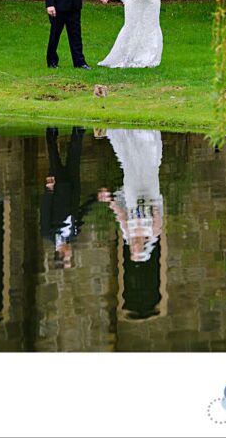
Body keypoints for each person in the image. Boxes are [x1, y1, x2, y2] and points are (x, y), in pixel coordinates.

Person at [99, 129, 165, 319]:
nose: (133, 248)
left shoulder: (128, 233)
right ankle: (145, 137)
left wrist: (109, 199)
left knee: (130, 165)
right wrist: (153, 204)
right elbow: (158, 215)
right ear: (143, 248)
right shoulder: (152, 233)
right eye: (136, 251)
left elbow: (121, 214)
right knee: (146, 164)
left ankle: (132, 136)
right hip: (148, 192)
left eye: (132, 251)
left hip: (133, 194)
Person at [40, 127, 87, 269]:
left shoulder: (47, 233)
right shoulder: (73, 234)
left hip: (58, 189)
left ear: (60, 253)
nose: (71, 254)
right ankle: (78, 132)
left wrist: (49, 191)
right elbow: (80, 213)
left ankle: (51, 133)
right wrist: (95, 198)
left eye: (68, 257)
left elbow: (45, 211)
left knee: (54, 157)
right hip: (72, 189)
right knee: (74, 158)